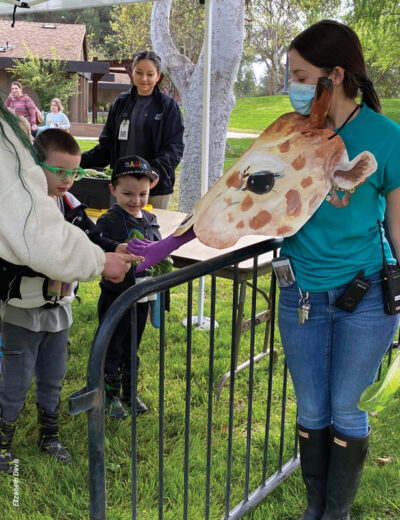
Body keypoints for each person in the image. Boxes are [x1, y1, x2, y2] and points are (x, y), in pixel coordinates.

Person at [276, 20, 400, 520]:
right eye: (291, 75)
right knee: (311, 410)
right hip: (300, 295)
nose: (293, 86)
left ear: (336, 75)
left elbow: (397, 226)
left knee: (348, 408)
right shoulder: (292, 133)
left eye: (301, 75)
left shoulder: (387, 137)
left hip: (365, 296)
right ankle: (315, 509)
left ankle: (336, 513)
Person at [0, 129, 143, 473]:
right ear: (35, 165)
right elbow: (33, 252)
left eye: (74, 173)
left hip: (59, 312)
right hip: (22, 314)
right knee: (15, 379)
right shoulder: (18, 210)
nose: (67, 180)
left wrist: (113, 249)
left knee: (53, 376)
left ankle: (50, 434)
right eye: (59, 171)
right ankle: (3, 441)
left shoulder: (69, 204)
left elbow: (91, 235)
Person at [96, 154, 160, 420]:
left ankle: (128, 392)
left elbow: (159, 250)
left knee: (132, 346)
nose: (136, 201)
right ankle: (109, 396)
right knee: (113, 346)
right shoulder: (107, 222)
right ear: (113, 190)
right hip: (115, 297)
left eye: (142, 194)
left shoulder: (150, 220)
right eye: (128, 194)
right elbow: (98, 249)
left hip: (141, 297)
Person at [81, 50, 185, 209]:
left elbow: (174, 148)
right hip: (123, 188)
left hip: (154, 189)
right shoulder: (120, 103)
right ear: (132, 72)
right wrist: (77, 161)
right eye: (139, 72)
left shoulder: (168, 107)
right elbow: (106, 147)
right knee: (121, 231)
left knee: (151, 232)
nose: (144, 79)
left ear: (158, 76)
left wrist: (152, 172)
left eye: (150, 74)